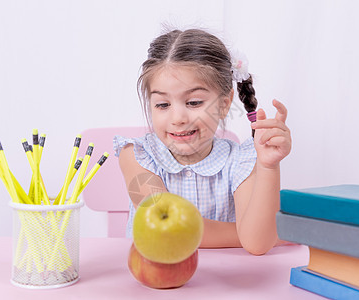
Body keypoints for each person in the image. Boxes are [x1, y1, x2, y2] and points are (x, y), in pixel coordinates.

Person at [113, 28, 292, 255]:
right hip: (155, 283)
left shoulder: (241, 161)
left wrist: (268, 166)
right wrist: (254, 233)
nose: (178, 118)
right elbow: (166, 226)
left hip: (225, 284)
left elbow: (256, 244)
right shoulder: (136, 155)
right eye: (162, 105)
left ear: (225, 103)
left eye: (194, 102)